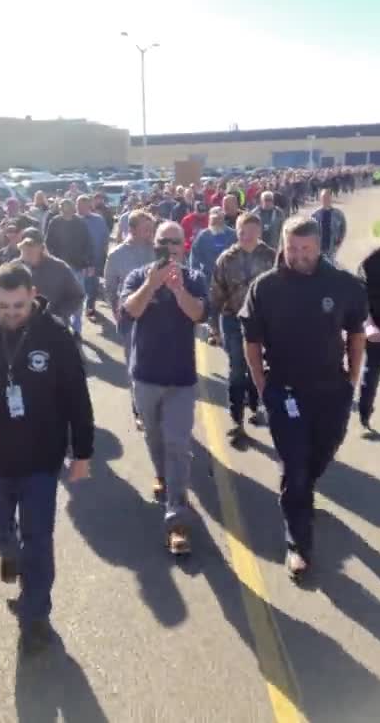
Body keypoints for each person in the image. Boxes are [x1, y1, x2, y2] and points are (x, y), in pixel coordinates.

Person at [0, 262, 94, 654]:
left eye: (19, 305)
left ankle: (35, 616)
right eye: (4, 305)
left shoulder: (56, 336)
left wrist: (83, 452)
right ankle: (11, 553)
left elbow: (77, 396)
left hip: (41, 459)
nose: (11, 313)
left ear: (32, 296)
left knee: (39, 540)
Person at [240, 216, 367, 580]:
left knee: (320, 455)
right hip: (285, 392)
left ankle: (302, 492)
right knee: (294, 466)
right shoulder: (265, 287)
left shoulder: (343, 284)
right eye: (292, 248)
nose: (298, 256)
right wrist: (262, 386)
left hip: (332, 392)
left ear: (319, 247)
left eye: (306, 249)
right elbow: (252, 341)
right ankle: (298, 543)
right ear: (283, 244)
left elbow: (356, 334)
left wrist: (352, 380)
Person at [120, 221, 208, 556]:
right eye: (162, 242)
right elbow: (131, 310)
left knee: (177, 442)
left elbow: (199, 314)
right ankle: (163, 476)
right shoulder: (137, 276)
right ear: (153, 245)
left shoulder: (194, 277)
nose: (169, 247)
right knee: (154, 437)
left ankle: (177, 519)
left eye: (175, 242)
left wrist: (177, 290)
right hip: (145, 376)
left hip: (181, 380)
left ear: (183, 246)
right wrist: (153, 285)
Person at [211, 213, 275, 444]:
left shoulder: (271, 256)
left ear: (258, 232)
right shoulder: (226, 259)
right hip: (233, 320)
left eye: (248, 231)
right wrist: (213, 327)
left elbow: (281, 290)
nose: (244, 235)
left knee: (256, 367)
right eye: (240, 230)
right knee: (237, 368)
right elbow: (216, 293)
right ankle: (236, 418)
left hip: (261, 322)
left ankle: (254, 406)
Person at [104, 210, 155, 425]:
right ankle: (140, 411)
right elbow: (109, 286)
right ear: (132, 230)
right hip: (130, 320)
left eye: (151, 229)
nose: (150, 233)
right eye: (146, 230)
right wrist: (116, 310)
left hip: (157, 318)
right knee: (136, 367)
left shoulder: (157, 250)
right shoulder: (116, 256)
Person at [45, 199, 94, 338]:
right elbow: (48, 243)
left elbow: (88, 244)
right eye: (63, 208)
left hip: (77, 266)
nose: (66, 210)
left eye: (68, 208)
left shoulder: (80, 223)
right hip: (59, 267)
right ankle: (62, 326)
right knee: (59, 298)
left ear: (73, 209)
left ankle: (77, 329)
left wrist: (89, 263)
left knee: (78, 297)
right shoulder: (55, 222)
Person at [190, 207, 237, 345]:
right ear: (209, 220)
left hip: (228, 279)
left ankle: (227, 332)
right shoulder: (203, 236)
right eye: (214, 220)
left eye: (219, 219)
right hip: (209, 278)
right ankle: (215, 332)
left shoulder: (232, 234)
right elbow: (194, 257)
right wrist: (196, 274)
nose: (216, 222)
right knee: (212, 307)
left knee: (227, 306)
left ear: (223, 219)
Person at [17, 229, 84, 325]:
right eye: (25, 246)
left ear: (41, 247)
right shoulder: (13, 269)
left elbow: (77, 296)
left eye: (32, 245)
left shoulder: (59, 267)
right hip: (21, 326)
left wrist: (59, 314)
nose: (28, 249)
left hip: (53, 326)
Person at [358, 243, 380, 433]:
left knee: (372, 370)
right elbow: (360, 297)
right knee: (372, 370)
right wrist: (369, 324)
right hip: (377, 326)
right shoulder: (371, 262)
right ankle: (365, 412)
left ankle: (364, 413)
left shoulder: (371, 260)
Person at [76, 195, 109, 322]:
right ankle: (77, 311)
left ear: (88, 206)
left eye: (81, 206)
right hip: (77, 261)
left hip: (94, 260)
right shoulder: (73, 220)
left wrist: (103, 256)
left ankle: (90, 309)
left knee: (92, 286)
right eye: (77, 205)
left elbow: (105, 238)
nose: (79, 208)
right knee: (79, 287)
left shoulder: (98, 220)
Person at [311, 189, 347, 263]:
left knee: (330, 265)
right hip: (318, 246)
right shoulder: (315, 215)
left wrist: (339, 242)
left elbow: (343, 229)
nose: (325, 200)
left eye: (327, 197)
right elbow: (310, 231)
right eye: (323, 198)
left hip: (332, 245)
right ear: (320, 199)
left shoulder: (338, 214)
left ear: (331, 198)